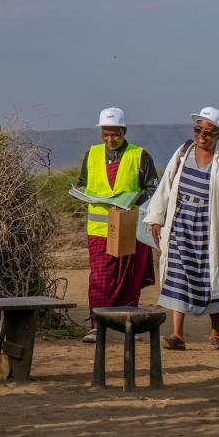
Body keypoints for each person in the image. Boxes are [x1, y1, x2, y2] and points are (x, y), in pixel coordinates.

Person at [144, 106, 219, 351]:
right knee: (177, 274)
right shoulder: (182, 153)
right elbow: (166, 185)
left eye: (209, 132)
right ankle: (177, 334)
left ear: (218, 134)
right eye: (198, 130)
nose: (202, 136)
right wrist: (156, 217)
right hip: (180, 224)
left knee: (213, 276)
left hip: (211, 227)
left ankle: (215, 331)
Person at [75, 107, 159, 343]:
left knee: (128, 277)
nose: (110, 139)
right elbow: (82, 183)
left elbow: (153, 188)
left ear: (124, 131)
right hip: (99, 230)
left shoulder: (140, 155)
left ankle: (128, 325)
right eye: (105, 135)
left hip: (128, 227)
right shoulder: (91, 154)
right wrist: (80, 192)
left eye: (115, 134)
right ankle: (97, 326)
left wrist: (130, 200)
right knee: (100, 279)